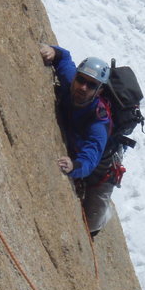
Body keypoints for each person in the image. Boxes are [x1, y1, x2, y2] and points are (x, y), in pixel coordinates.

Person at [40, 43, 116, 237]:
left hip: (103, 161)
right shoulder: (69, 80)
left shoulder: (99, 122)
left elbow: (91, 157)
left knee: (92, 225)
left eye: (91, 85)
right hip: (80, 143)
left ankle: (107, 213)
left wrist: (74, 166)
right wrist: (54, 51)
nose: (83, 87)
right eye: (81, 80)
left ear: (99, 91)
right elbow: (64, 58)